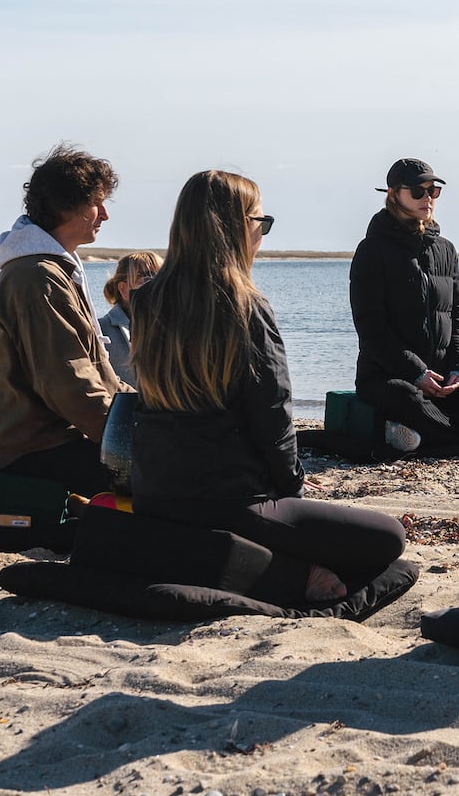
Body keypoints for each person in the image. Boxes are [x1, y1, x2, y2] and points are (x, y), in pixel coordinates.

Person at [129, 170, 407, 602]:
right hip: (232, 502)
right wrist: (292, 485)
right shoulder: (246, 307)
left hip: (155, 495)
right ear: (237, 229)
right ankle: (281, 574)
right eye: (261, 223)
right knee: (390, 538)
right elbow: (272, 414)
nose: (263, 235)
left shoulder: (146, 301)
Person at [0, 142, 129, 497]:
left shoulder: (54, 269)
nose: (104, 214)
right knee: (166, 480)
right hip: (28, 451)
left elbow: (96, 370)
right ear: (66, 206)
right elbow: (69, 384)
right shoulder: (38, 277)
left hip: (48, 439)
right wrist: (129, 438)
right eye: (96, 203)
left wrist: (147, 411)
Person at [349, 158, 459, 453]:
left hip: (444, 380)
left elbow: (458, 319)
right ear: (394, 193)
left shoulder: (446, 249)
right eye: (418, 191)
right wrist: (417, 373)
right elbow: (371, 328)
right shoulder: (372, 250)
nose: (427, 198)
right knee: (409, 399)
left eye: (433, 191)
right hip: (389, 378)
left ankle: (413, 433)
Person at [97, 251, 163, 387]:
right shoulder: (101, 330)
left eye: (161, 277)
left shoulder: (172, 329)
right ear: (124, 289)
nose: (157, 285)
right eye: (147, 278)